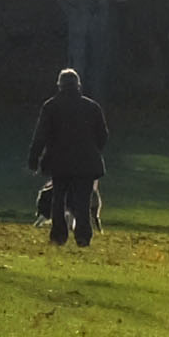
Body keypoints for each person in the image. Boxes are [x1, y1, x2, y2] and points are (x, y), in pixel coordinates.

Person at [28, 68, 108, 246]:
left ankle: (58, 236)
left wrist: (34, 159)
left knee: (58, 199)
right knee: (83, 201)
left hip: (59, 162)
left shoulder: (51, 106)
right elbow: (103, 135)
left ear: (60, 85)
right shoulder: (92, 107)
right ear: (78, 85)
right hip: (86, 162)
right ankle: (83, 236)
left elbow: (41, 135)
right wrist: (93, 150)